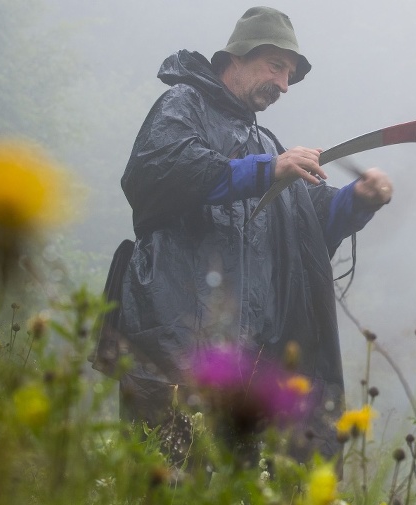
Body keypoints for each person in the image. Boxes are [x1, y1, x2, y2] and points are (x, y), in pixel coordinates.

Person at [91, 6, 393, 464]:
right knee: (166, 485)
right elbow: (161, 173)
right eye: (276, 67)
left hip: (250, 371)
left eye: (289, 74)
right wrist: (267, 170)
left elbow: (306, 227)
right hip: (177, 352)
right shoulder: (183, 105)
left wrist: (359, 199)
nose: (284, 85)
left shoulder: (266, 143)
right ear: (238, 56)